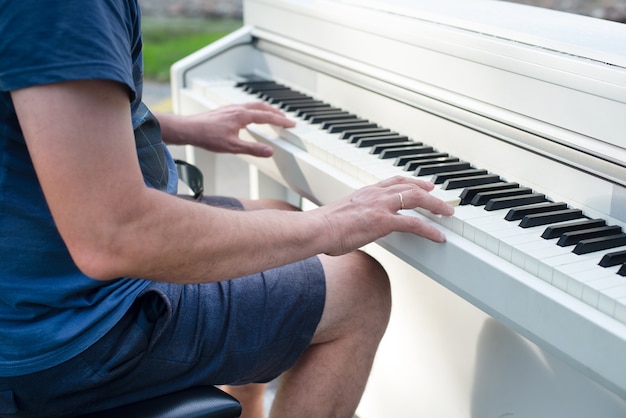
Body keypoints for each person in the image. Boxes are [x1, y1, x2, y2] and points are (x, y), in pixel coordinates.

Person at [0, 1, 454, 417]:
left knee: (275, 212)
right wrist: (328, 224)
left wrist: (178, 127)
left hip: (40, 279)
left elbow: (44, 113)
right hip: (60, 332)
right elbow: (113, 236)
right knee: (358, 286)